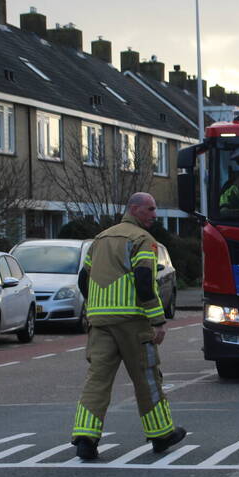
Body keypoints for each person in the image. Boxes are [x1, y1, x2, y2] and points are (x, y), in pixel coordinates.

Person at [70, 192, 186, 460]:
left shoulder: (100, 239)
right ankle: (161, 434)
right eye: (151, 209)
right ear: (134, 210)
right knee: (147, 378)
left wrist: (95, 306)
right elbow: (145, 281)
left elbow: (83, 280)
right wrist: (157, 320)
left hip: (100, 322)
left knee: (97, 379)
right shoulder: (142, 240)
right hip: (133, 322)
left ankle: (85, 438)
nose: (155, 215)